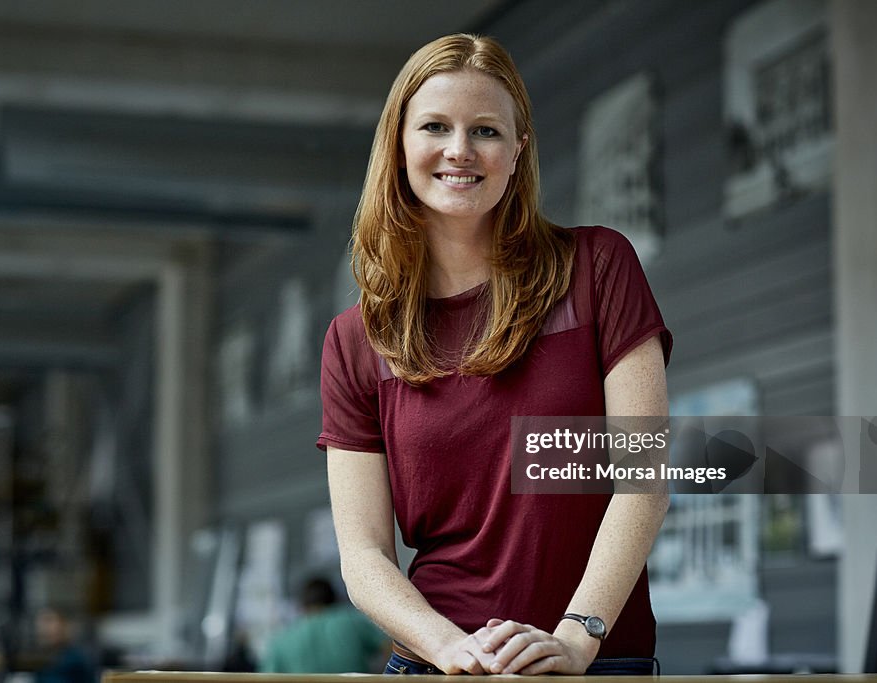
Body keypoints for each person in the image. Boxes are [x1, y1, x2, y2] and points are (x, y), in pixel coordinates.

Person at [317, 33, 673, 676]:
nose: (460, 150)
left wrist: (576, 636)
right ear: (400, 147)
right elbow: (365, 558)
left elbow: (643, 480)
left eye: (485, 129)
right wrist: (450, 648)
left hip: (596, 661)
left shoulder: (598, 268)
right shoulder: (356, 341)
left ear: (518, 149)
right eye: (435, 126)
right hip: (439, 667)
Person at [258, 576, 388, 673]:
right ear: (335, 599)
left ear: (301, 606)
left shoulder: (281, 640)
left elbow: (267, 678)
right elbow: (390, 649)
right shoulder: (352, 621)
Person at [34, 607, 96, 683]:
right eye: (42, 623)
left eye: (49, 621)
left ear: (63, 626)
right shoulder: (37, 659)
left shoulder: (76, 659)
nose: (44, 628)